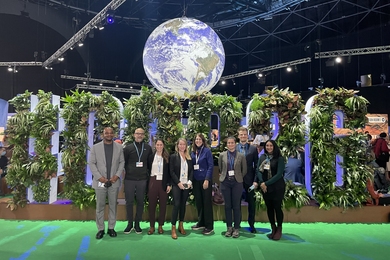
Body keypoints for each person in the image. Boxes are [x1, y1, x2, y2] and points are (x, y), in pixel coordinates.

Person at [89, 127, 125, 239]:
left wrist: (116, 176)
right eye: (106, 133)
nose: (109, 135)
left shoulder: (119, 147)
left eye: (111, 133)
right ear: (102, 135)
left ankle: (111, 228)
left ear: (113, 135)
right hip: (100, 182)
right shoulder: (95, 148)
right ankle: (100, 229)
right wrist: (100, 178)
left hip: (114, 182)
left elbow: (122, 162)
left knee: (113, 206)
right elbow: (91, 163)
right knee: (99, 206)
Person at [123, 128, 153, 234]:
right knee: (129, 202)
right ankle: (130, 224)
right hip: (129, 180)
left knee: (140, 202)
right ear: (133, 135)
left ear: (144, 136)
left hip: (142, 180)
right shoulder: (128, 148)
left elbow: (150, 165)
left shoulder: (148, 148)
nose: (139, 135)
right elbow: (124, 163)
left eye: (141, 134)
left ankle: (137, 224)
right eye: (137, 133)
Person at [256, 140, 286, 241]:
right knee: (269, 208)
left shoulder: (279, 159)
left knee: (277, 208)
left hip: (277, 187)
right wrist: (261, 182)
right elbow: (258, 170)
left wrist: (266, 183)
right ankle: (273, 228)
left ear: (274, 147)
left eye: (271, 146)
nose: (269, 147)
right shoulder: (263, 157)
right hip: (265, 188)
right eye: (267, 146)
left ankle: (279, 229)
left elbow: (279, 174)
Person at [218, 136, 247, 238]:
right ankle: (229, 227)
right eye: (228, 143)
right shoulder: (222, 155)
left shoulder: (241, 156)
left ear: (235, 144)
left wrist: (237, 177)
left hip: (237, 183)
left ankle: (236, 228)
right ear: (227, 145)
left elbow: (244, 170)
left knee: (236, 206)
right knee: (227, 206)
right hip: (225, 183)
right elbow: (221, 169)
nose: (230, 144)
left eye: (232, 143)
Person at [169, 138, 193, 239]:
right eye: (180, 144)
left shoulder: (189, 157)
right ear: (177, 145)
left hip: (186, 185)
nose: (182, 146)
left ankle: (181, 225)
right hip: (177, 185)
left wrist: (190, 182)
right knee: (177, 204)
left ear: (186, 146)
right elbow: (171, 171)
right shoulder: (173, 157)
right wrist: (178, 183)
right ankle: (173, 227)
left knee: (183, 205)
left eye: (184, 144)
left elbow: (191, 171)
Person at [190, 133, 214, 235]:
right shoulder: (193, 152)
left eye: (200, 139)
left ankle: (209, 226)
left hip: (205, 181)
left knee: (207, 203)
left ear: (203, 141)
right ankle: (201, 223)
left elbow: (210, 166)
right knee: (199, 202)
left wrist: (207, 179)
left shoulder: (207, 151)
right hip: (196, 181)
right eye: (196, 139)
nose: (198, 141)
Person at [236, 127, 258, 233]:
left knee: (251, 204)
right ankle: (237, 223)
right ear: (238, 136)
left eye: (245, 134)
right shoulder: (234, 148)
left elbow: (257, 166)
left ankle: (252, 224)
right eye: (241, 134)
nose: (243, 136)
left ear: (247, 135)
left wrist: (255, 180)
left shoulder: (253, 149)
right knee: (236, 203)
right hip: (237, 180)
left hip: (250, 180)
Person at [147, 139, 171, 235]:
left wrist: (169, 184)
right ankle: (152, 226)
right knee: (151, 205)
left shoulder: (167, 157)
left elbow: (169, 172)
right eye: (157, 145)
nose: (159, 146)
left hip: (163, 182)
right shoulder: (151, 157)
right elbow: (148, 169)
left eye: (161, 145)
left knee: (163, 205)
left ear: (163, 146)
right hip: (153, 181)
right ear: (155, 146)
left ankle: (160, 225)